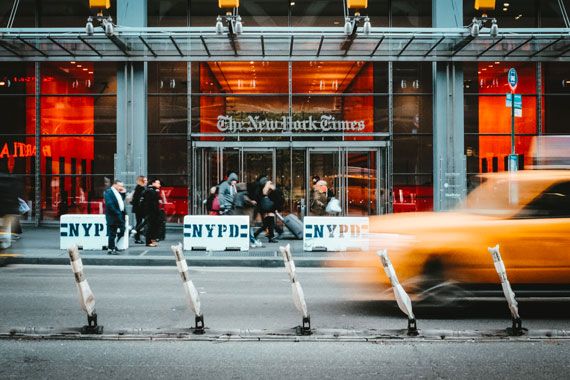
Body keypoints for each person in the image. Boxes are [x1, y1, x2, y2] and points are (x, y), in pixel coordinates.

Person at [234, 182, 262, 248]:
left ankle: (252, 241)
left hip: (242, 215)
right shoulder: (243, 195)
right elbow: (247, 201)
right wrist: (252, 202)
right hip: (247, 215)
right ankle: (253, 242)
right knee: (250, 230)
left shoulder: (237, 195)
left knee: (248, 230)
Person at [104, 180, 126, 255]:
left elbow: (121, 201)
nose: (121, 187)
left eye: (122, 186)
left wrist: (123, 194)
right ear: (115, 185)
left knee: (122, 230)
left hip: (119, 215)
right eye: (120, 185)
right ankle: (110, 249)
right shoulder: (108, 192)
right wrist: (117, 212)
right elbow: (110, 204)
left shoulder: (118, 192)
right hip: (113, 216)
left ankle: (113, 245)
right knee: (112, 233)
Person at [144, 178, 161, 247]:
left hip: (153, 212)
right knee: (151, 227)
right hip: (151, 212)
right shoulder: (150, 191)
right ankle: (149, 242)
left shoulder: (153, 191)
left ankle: (152, 241)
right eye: (158, 183)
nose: (159, 185)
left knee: (153, 227)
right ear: (153, 183)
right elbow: (151, 203)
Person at [131, 175, 147, 244]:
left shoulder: (139, 188)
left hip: (139, 208)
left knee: (140, 222)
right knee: (142, 222)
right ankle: (136, 233)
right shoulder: (140, 188)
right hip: (140, 209)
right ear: (141, 181)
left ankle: (137, 235)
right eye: (145, 180)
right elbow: (137, 200)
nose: (146, 181)